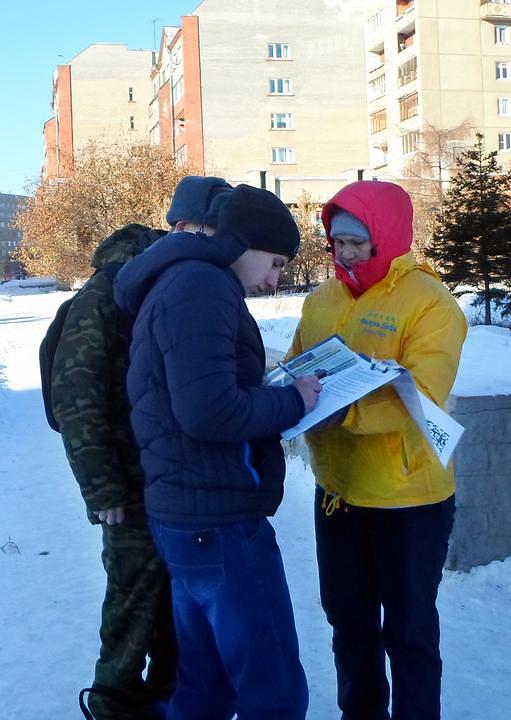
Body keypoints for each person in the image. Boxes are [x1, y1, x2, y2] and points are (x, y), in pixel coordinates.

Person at [113, 183, 322, 720]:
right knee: (271, 688)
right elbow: (209, 412)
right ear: (243, 243)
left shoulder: (183, 281)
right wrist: (292, 401)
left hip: (190, 513)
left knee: (205, 684)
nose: (275, 279)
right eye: (275, 262)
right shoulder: (201, 287)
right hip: (218, 518)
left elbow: (197, 392)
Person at [52, 175, 234, 720]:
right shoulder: (111, 289)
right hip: (127, 486)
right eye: (211, 230)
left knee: (176, 605)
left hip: (170, 479)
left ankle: (167, 699)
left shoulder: (178, 280)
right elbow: (75, 394)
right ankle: (111, 704)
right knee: (133, 602)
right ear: (181, 226)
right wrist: (102, 485)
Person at [287, 180, 467, 720]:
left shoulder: (432, 305)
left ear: (386, 237)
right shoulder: (322, 300)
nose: (344, 253)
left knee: (409, 630)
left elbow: (425, 396)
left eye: (357, 242)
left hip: (408, 499)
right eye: (336, 241)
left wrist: (346, 411)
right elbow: (296, 369)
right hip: (338, 492)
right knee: (348, 622)